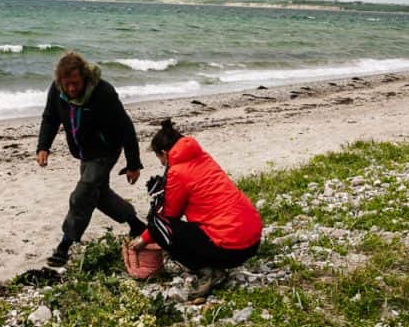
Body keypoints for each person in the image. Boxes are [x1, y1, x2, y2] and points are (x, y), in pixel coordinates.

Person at [130, 119, 262, 304]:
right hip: (252, 242)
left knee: (158, 225)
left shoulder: (177, 172)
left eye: (160, 159)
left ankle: (209, 271)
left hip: (231, 248)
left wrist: (144, 239)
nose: (161, 164)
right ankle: (211, 261)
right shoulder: (203, 158)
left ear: (165, 153)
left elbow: (169, 217)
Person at [37, 51, 145, 266]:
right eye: (66, 84)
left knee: (83, 193)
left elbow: (125, 127)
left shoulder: (103, 92)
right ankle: (136, 224)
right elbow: (50, 118)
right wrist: (43, 146)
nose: (71, 89)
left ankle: (65, 245)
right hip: (84, 153)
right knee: (99, 194)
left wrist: (133, 163)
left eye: (75, 83)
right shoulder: (57, 89)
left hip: (105, 151)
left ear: (84, 77)